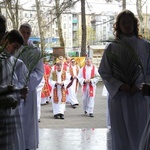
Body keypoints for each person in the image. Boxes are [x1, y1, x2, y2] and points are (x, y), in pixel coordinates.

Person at [98, 10, 150, 150]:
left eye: (130, 22)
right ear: (118, 26)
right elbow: (104, 71)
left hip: (140, 96)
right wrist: (120, 85)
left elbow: (149, 70)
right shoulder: (112, 47)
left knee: (140, 132)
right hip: (120, 97)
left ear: (135, 24)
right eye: (123, 22)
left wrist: (141, 85)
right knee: (120, 134)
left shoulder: (145, 45)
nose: (127, 25)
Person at [15, 23, 44, 150]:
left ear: (30, 34)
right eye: (23, 32)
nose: (25, 35)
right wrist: (18, 84)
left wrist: (27, 83)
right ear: (19, 32)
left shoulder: (35, 51)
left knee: (29, 121)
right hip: (15, 90)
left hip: (29, 91)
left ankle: (28, 145)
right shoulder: (14, 49)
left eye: (27, 33)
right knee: (17, 120)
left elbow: (39, 71)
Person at [0, 30, 28, 150]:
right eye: (14, 47)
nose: (15, 51)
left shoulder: (11, 60)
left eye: (17, 49)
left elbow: (12, 83)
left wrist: (19, 91)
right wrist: (9, 91)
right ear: (6, 41)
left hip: (11, 109)